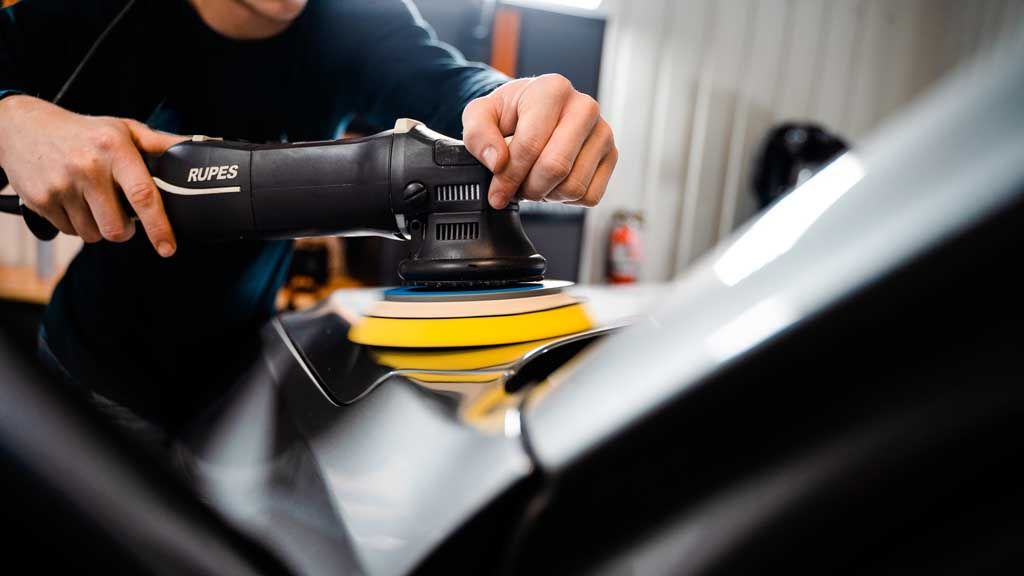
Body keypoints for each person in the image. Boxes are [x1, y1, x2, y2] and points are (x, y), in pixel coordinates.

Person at [0, 0, 617, 443]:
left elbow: (456, 86)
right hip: (91, 380)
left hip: (238, 384)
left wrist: (522, 105)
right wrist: (11, 119)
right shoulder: (92, 14)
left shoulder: (354, 19)